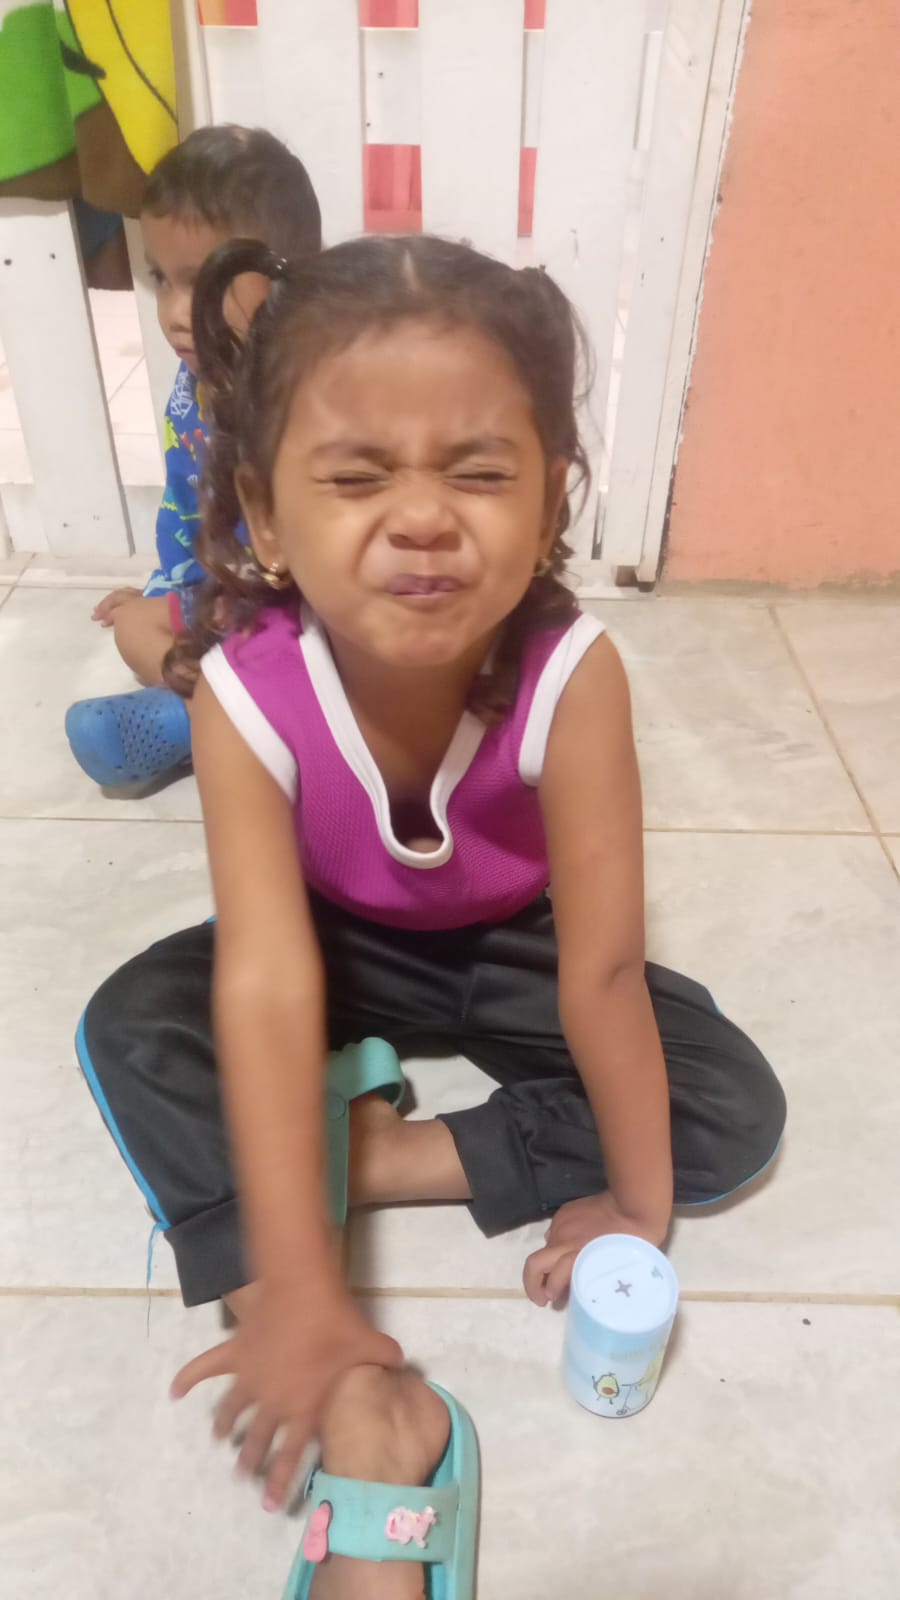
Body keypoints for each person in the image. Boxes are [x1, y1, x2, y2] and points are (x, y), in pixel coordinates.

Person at [76, 235, 786, 1595]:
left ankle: (381, 1155)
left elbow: (604, 972)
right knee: (137, 1024)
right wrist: (307, 1294)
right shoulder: (242, 693)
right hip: (329, 945)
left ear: (551, 495)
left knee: (730, 1106)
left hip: (513, 949)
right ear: (264, 514)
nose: (421, 518)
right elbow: (269, 980)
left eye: (479, 472)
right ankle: (358, 1397)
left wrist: (636, 1204)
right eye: (357, 476)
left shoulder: (576, 675)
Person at [64, 123, 322, 790]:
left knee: (320, 665)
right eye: (162, 279)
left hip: (308, 617)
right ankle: (229, 716)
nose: (178, 313)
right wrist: (168, 589)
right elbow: (187, 504)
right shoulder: (194, 386)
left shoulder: (313, 395)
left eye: (204, 283)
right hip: (225, 605)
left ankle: (202, 721)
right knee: (132, 628)